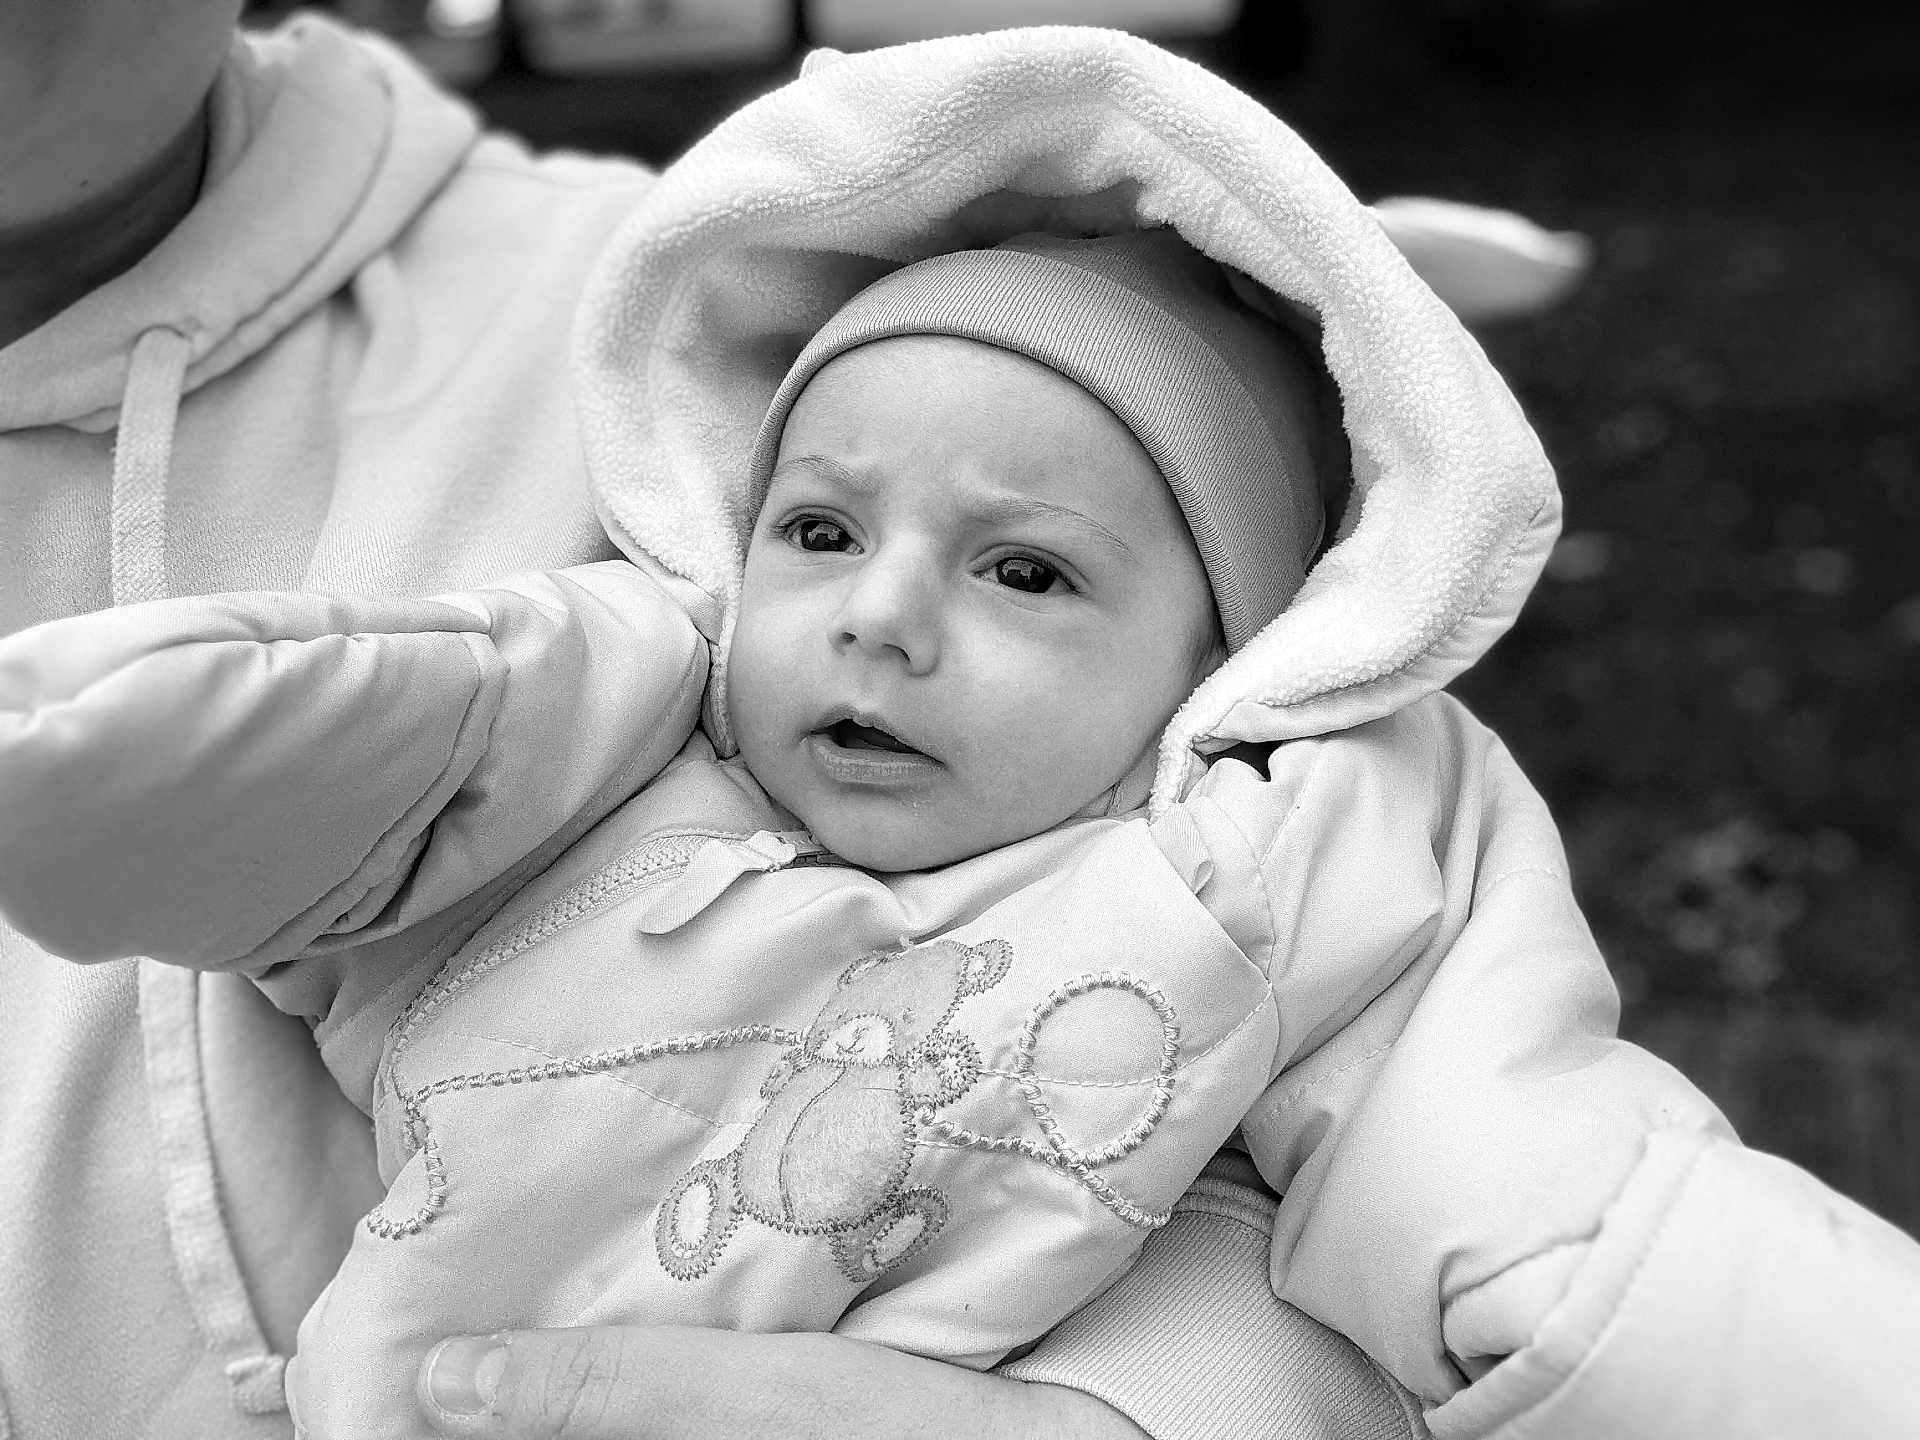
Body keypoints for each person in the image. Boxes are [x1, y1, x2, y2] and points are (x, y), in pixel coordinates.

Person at [9, 27, 1920, 1440]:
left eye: (1025, 575)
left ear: (1222, 660)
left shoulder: (1265, 868)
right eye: (820, 532)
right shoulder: (626, 730)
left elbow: (1554, 1197)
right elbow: (351, 763)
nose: (879, 615)